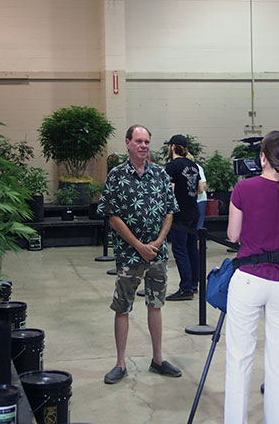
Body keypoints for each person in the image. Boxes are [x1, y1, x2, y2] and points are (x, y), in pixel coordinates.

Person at [224, 130, 279, 423]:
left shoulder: (244, 189)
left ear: (262, 157)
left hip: (249, 277)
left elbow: (233, 235)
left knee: (239, 358)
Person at [98, 125, 182, 384]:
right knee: (122, 308)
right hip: (129, 256)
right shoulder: (116, 176)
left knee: (155, 306)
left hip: (157, 255)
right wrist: (138, 246)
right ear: (128, 143)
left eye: (147, 141)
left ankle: (157, 359)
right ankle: (120, 363)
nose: (144, 145)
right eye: (138, 141)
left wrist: (156, 243)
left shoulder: (160, 174)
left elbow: (170, 210)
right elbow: (113, 216)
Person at [163, 134, 200, 301]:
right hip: (193, 211)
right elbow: (200, 189)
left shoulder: (171, 167)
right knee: (192, 249)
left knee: (180, 250)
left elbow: (169, 191)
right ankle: (193, 284)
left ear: (172, 147)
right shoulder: (194, 166)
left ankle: (185, 288)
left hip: (180, 214)